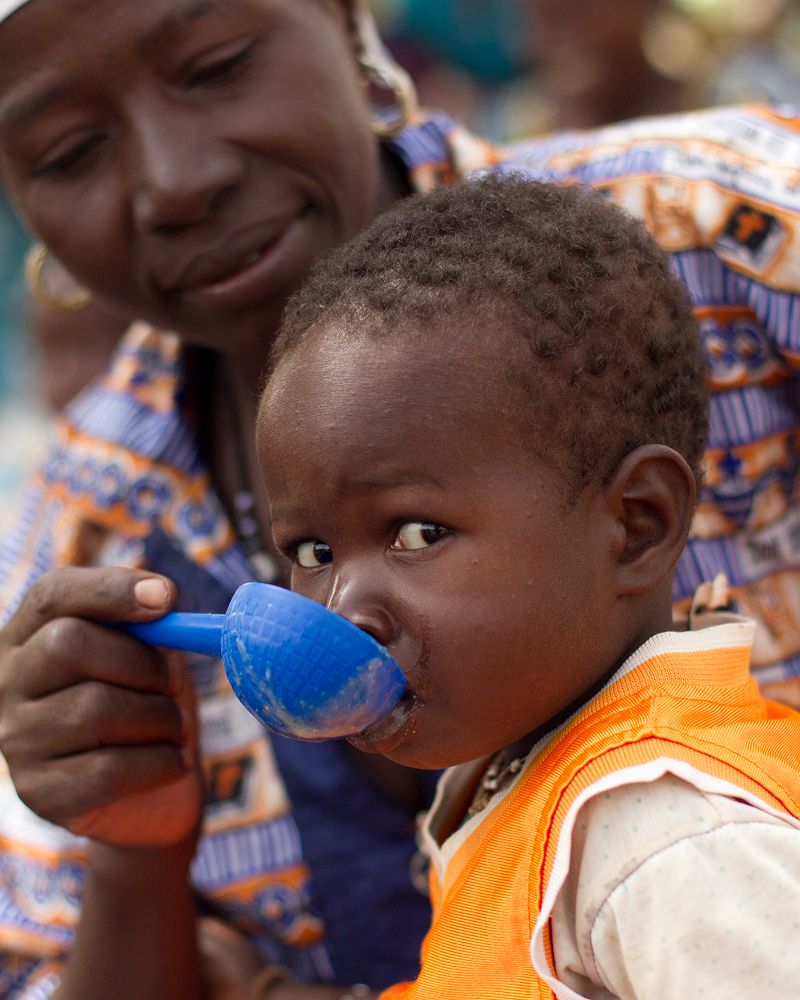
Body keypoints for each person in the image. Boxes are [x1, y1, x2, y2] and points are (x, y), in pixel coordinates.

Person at [0, 0, 798, 997]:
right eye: (70, 151)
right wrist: (135, 852)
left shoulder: (737, 231)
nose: (177, 182)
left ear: (344, 20)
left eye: (217, 64)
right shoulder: (90, 532)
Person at [255, 175, 800, 999]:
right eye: (312, 548)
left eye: (417, 534)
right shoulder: (536, 770)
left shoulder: (671, 841)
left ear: (638, 524)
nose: (342, 608)